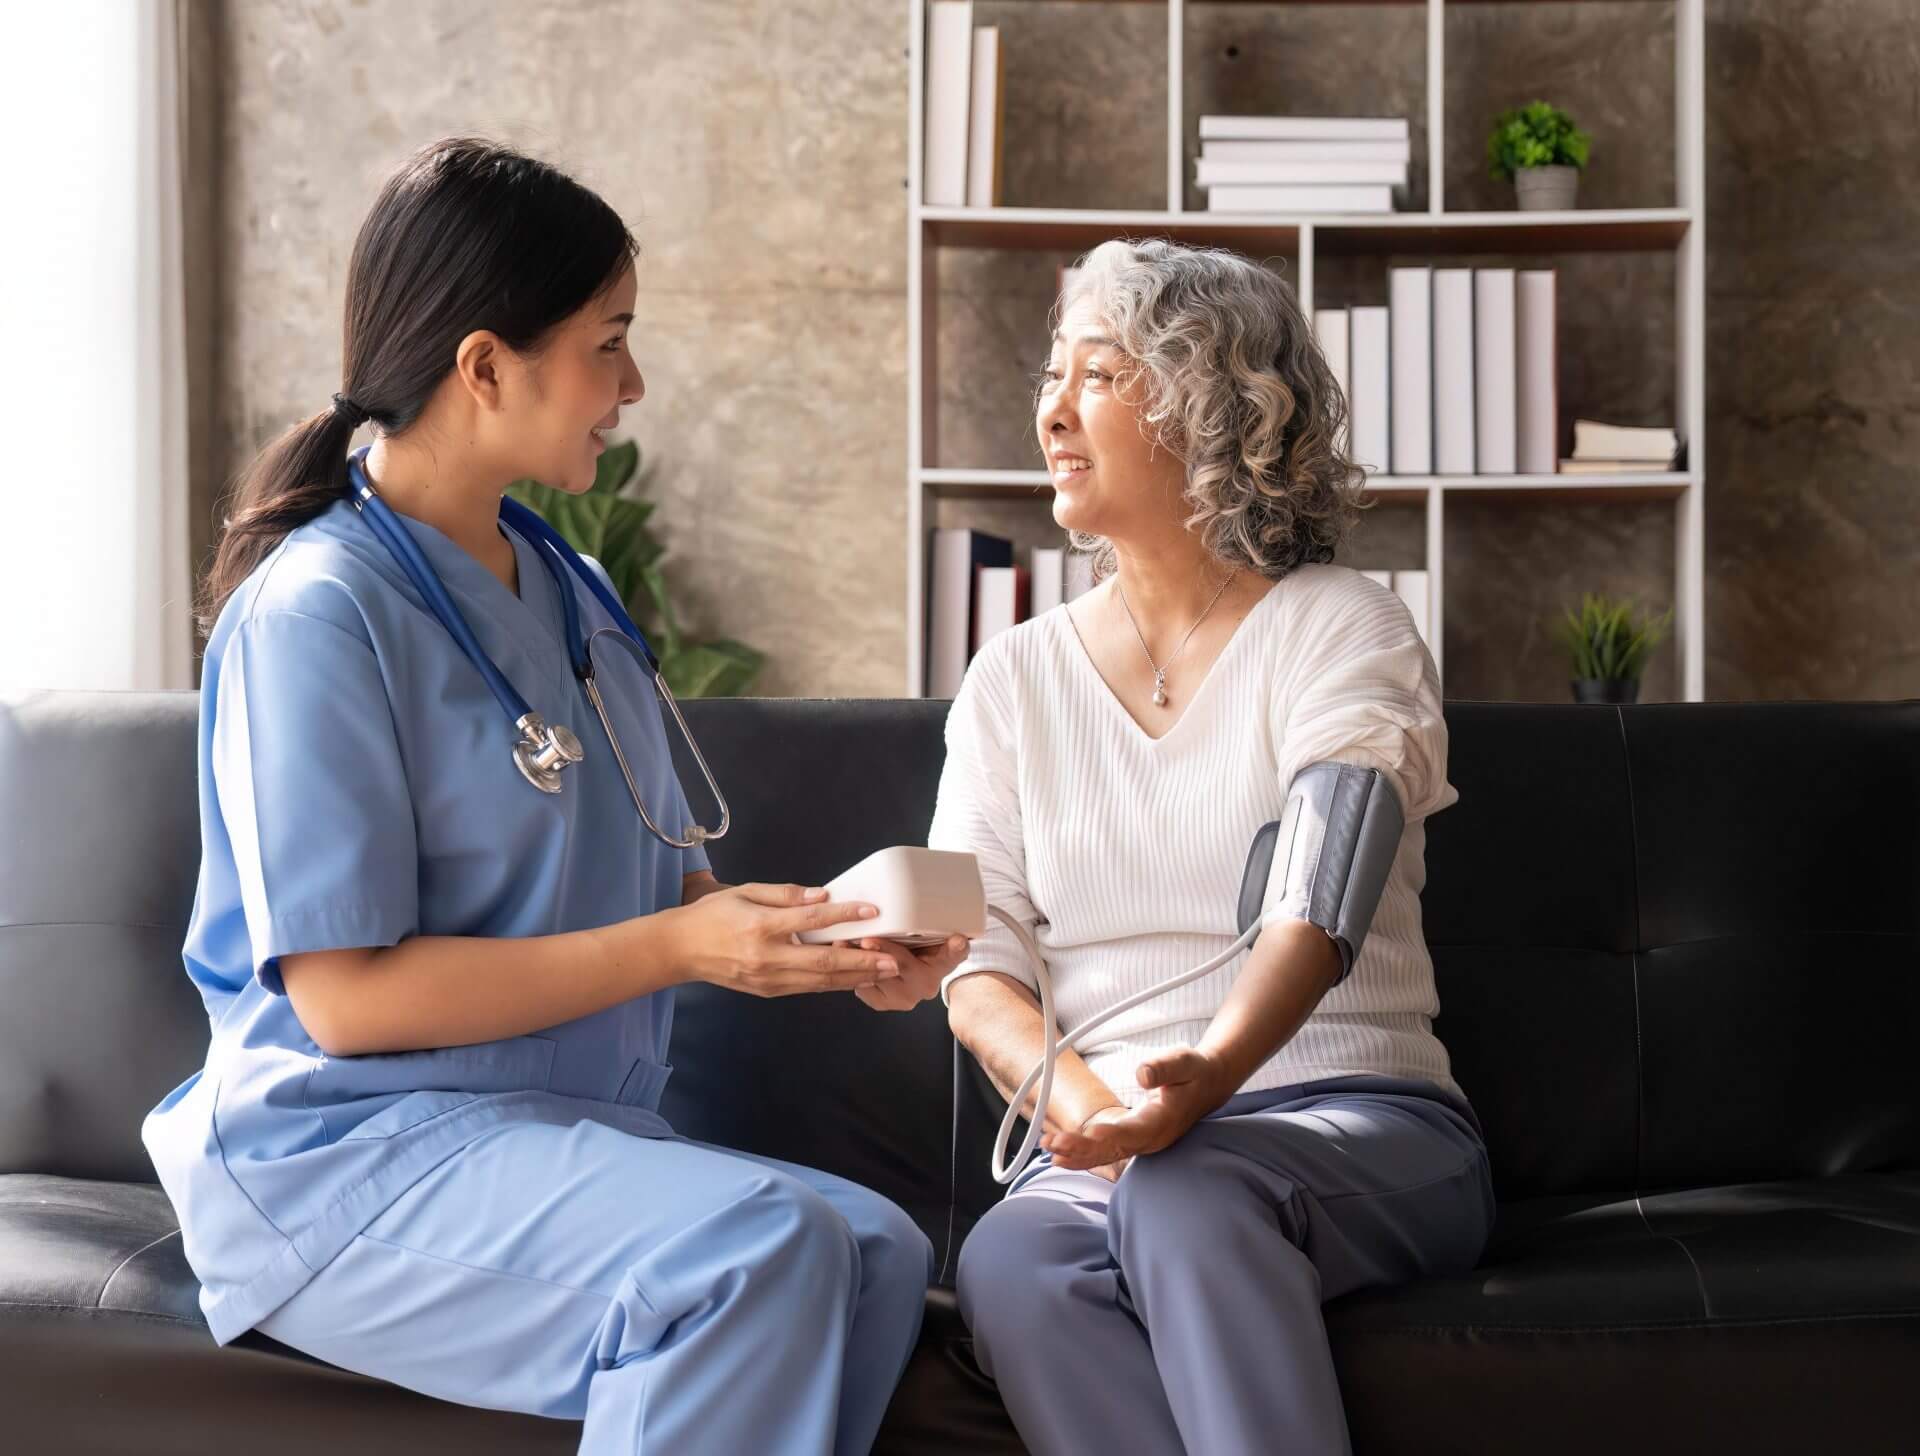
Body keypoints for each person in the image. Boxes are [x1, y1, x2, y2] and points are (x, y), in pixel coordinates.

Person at [143, 136, 965, 1456]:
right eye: (608, 342)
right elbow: (346, 1004)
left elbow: (650, 882)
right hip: (346, 1164)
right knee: (753, 1254)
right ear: (484, 365)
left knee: (867, 1246)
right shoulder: (319, 611)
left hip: (548, 1136)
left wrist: (813, 948)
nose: (632, 385)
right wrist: (679, 945)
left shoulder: (568, 587)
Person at [926, 238, 1497, 1455]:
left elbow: (1321, 889)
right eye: (1053, 375)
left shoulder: (1345, 627)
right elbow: (979, 962)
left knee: (1193, 1192)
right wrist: (1091, 1112)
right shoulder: (1013, 678)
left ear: (1209, 407)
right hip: (1113, 1137)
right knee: (1013, 1256)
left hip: (1351, 1112)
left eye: (1096, 375)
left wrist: (1206, 1085)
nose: (1051, 408)